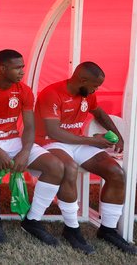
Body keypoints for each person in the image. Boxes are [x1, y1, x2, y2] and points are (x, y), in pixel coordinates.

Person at [35, 62, 137, 255]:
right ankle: (72, 229)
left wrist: (117, 134)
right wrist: (92, 140)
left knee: (116, 171)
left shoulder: (87, 94)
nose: (96, 90)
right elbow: (54, 131)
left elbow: (99, 113)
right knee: (69, 168)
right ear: (82, 80)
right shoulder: (52, 93)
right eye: (94, 85)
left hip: (78, 142)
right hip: (51, 141)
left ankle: (107, 229)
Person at [0, 50, 65, 246]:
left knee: (56, 166)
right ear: (2, 68)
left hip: (13, 140)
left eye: (23, 67)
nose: (22, 71)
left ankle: (33, 220)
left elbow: (29, 127)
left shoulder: (24, 91)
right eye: (17, 67)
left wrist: (25, 152)